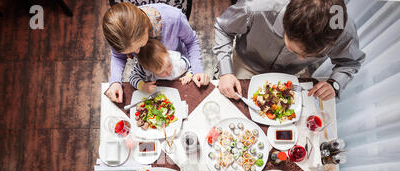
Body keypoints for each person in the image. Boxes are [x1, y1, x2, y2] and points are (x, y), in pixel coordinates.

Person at [213, 0, 366, 101]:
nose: (301, 59)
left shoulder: (342, 31)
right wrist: (226, 72)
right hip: (246, 63)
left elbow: (350, 63)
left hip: (289, 75)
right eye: (294, 50)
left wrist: (335, 83)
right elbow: (222, 28)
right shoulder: (255, 8)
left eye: (310, 56)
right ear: (285, 21)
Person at [102, 2, 210, 103]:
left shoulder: (174, 18)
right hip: (151, 74)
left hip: (178, 67)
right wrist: (115, 82)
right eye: (130, 52)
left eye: (139, 46)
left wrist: (197, 71)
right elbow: (118, 57)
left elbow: (191, 42)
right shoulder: (118, 35)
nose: (136, 53)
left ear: (146, 29)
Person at [130, 39, 196, 93]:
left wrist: (188, 75)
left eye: (169, 66)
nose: (169, 72)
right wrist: (143, 86)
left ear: (167, 53)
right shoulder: (144, 68)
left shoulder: (178, 62)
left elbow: (191, 65)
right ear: (149, 70)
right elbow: (133, 77)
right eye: (162, 72)